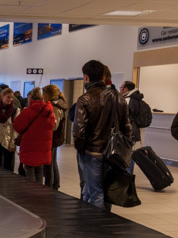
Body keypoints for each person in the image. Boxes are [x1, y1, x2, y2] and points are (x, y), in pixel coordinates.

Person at [73, 60, 132, 210]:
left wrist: (81, 150)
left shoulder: (85, 99)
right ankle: (98, 222)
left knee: (95, 192)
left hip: (92, 152)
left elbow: (79, 131)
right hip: (112, 153)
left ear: (86, 77)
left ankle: (97, 228)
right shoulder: (119, 98)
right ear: (103, 76)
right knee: (104, 191)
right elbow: (127, 127)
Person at [13, 88, 55, 183]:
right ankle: (39, 193)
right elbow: (52, 126)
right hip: (43, 147)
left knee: (30, 170)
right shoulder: (49, 113)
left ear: (31, 100)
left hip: (30, 146)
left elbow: (16, 126)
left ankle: (31, 193)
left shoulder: (28, 112)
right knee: (39, 170)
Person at [120, 81, 149, 173]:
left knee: (126, 155)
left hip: (128, 132)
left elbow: (125, 118)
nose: (120, 89)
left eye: (121, 87)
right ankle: (128, 177)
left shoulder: (128, 100)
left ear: (125, 89)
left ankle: (126, 179)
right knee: (130, 154)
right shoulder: (138, 100)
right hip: (135, 132)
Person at [43, 84, 68, 190]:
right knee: (52, 162)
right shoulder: (58, 105)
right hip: (54, 137)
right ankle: (54, 184)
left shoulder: (55, 107)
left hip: (52, 137)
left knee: (50, 164)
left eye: (44, 94)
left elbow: (54, 125)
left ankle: (51, 185)